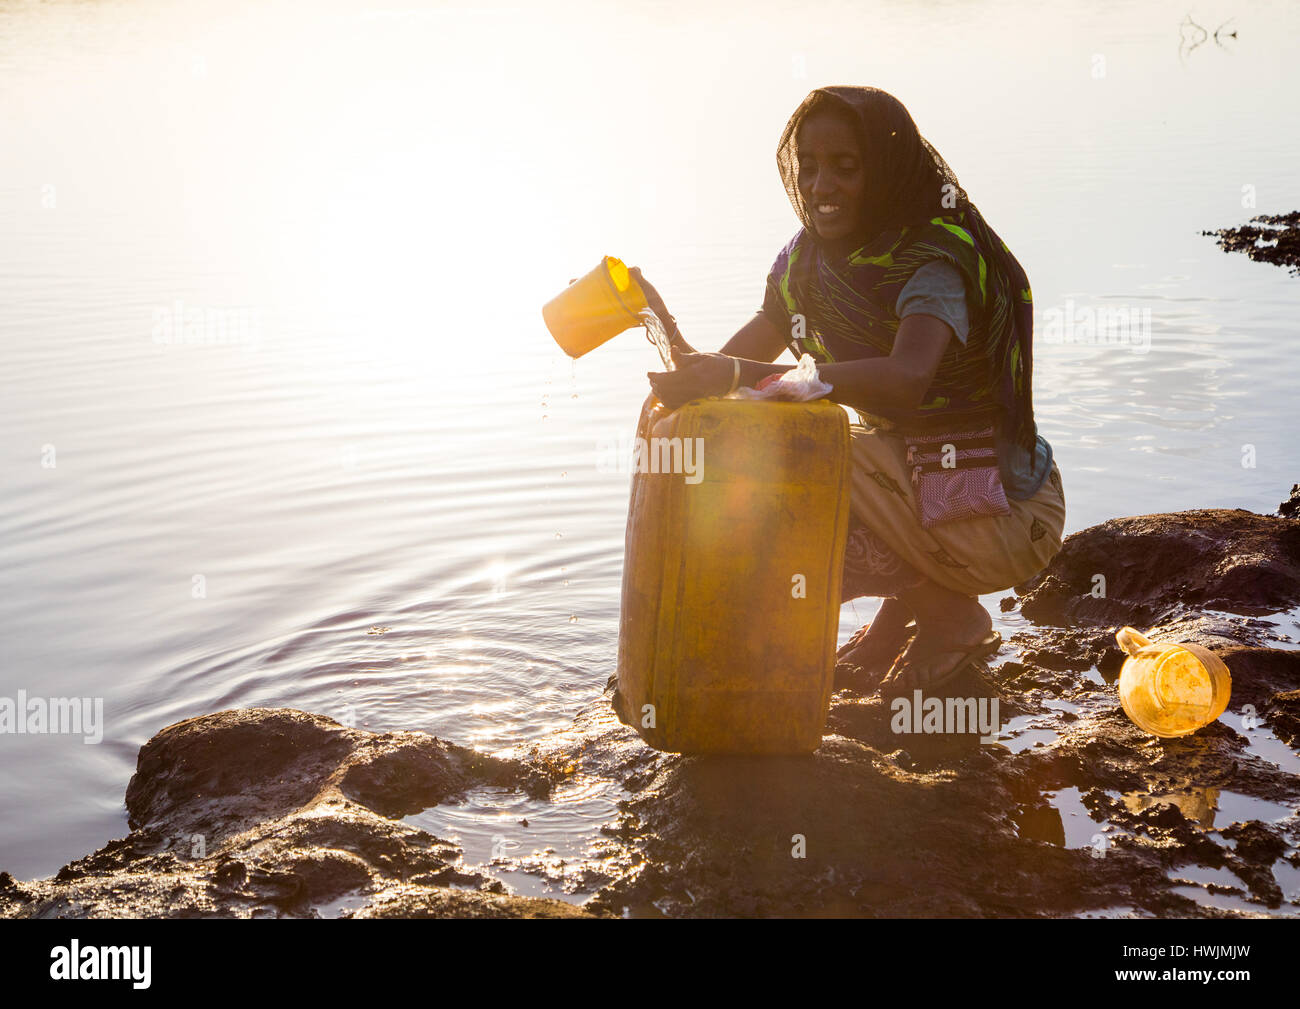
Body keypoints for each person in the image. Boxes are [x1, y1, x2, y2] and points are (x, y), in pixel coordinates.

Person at [633, 85, 1065, 696]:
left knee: (805, 452)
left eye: (845, 167)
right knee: (773, 435)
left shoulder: (932, 259)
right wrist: (657, 320)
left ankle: (952, 617)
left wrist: (741, 377)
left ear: (887, 171)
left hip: (1003, 512)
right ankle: (898, 626)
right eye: (808, 167)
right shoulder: (808, 265)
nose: (819, 186)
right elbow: (732, 368)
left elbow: (907, 380)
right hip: (919, 486)